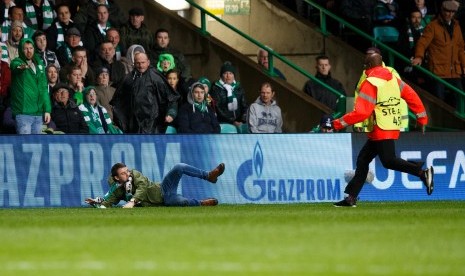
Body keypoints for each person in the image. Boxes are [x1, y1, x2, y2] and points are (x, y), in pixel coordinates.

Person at [332, 52, 434, 207]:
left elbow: (361, 112)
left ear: (369, 66)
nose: (364, 68)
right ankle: (351, 198)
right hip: (390, 124)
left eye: (365, 65)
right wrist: (422, 118)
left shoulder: (370, 83)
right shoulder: (393, 79)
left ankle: (422, 173)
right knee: (363, 160)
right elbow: (412, 96)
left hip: (381, 127)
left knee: (389, 161)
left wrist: (338, 123)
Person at [85, 162, 225, 208]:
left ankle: (209, 176)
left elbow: (142, 187)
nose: (127, 174)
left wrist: (132, 202)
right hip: (164, 200)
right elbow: (108, 202)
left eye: (127, 171)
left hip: (163, 188)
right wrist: (95, 202)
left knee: (179, 167)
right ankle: (201, 203)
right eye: (123, 173)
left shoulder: (134, 174)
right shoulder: (117, 190)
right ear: (116, 178)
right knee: (180, 201)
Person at [411, 0, 465, 107]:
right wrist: (419, 57)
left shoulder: (457, 27)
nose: (450, 14)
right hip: (438, 71)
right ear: (442, 11)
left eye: (452, 12)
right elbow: (422, 43)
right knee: (439, 101)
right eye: (447, 11)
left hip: (454, 70)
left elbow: (460, 48)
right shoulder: (432, 26)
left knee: (460, 98)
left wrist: (464, 65)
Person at [111, 52, 179, 133]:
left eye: (143, 62)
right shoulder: (128, 78)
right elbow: (118, 100)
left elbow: (171, 98)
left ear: (148, 62)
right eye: (138, 63)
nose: (141, 65)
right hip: (133, 124)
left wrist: (171, 113)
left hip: (153, 123)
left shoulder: (156, 78)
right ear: (134, 64)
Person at [10, 37, 51, 134]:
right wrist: (22, 67)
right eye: (25, 48)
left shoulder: (40, 65)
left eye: (31, 48)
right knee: (24, 145)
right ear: (21, 50)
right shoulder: (17, 62)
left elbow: (44, 89)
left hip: (38, 114)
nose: (29, 51)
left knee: (36, 146)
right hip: (23, 113)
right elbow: (15, 67)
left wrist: (47, 110)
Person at [210, 61, 248, 127]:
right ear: (221, 76)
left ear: (233, 75)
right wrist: (232, 122)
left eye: (230, 73)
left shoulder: (238, 88)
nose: (228, 76)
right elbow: (218, 110)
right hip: (223, 123)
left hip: (239, 122)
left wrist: (242, 120)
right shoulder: (216, 89)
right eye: (225, 73)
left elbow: (244, 106)